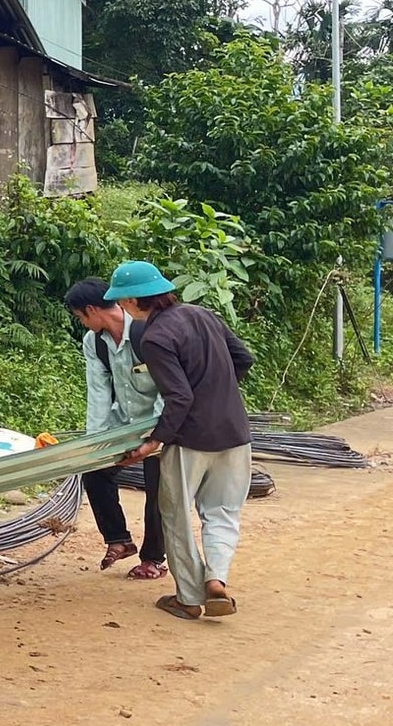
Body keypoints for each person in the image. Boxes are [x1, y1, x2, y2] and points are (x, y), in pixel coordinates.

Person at [111, 260, 256, 621]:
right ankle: (217, 580)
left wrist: (153, 443)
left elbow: (179, 399)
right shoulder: (202, 314)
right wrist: (217, 391)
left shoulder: (156, 337)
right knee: (223, 512)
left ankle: (189, 597)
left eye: (123, 302)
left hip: (189, 440)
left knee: (175, 515)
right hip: (235, 434)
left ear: (132, 302)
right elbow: (244, 358)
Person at [64, 278, 167, 581]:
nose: (82, 323)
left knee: (158, 489)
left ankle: (153, 560)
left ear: (93, 309)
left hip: (163, 422)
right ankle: (119, 540)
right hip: (125, 421)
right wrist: (94, 444)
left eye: (81, 316)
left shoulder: (146, 331)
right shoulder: (94, 342)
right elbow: (98, 393)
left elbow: (168, 385)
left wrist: (157, 434)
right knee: (96, 473)